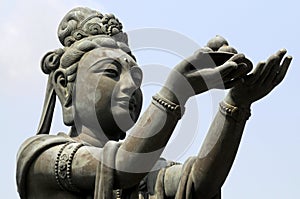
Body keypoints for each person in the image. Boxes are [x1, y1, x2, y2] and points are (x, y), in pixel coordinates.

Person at [16, 7, 292, 199]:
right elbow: (122, 166)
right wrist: (175, 91)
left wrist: (234, 106)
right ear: (65, 86)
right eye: (111, 73)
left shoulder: (151, 169)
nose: (131, 86)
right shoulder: (41, 156)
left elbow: (197, 183)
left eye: (137, 77)